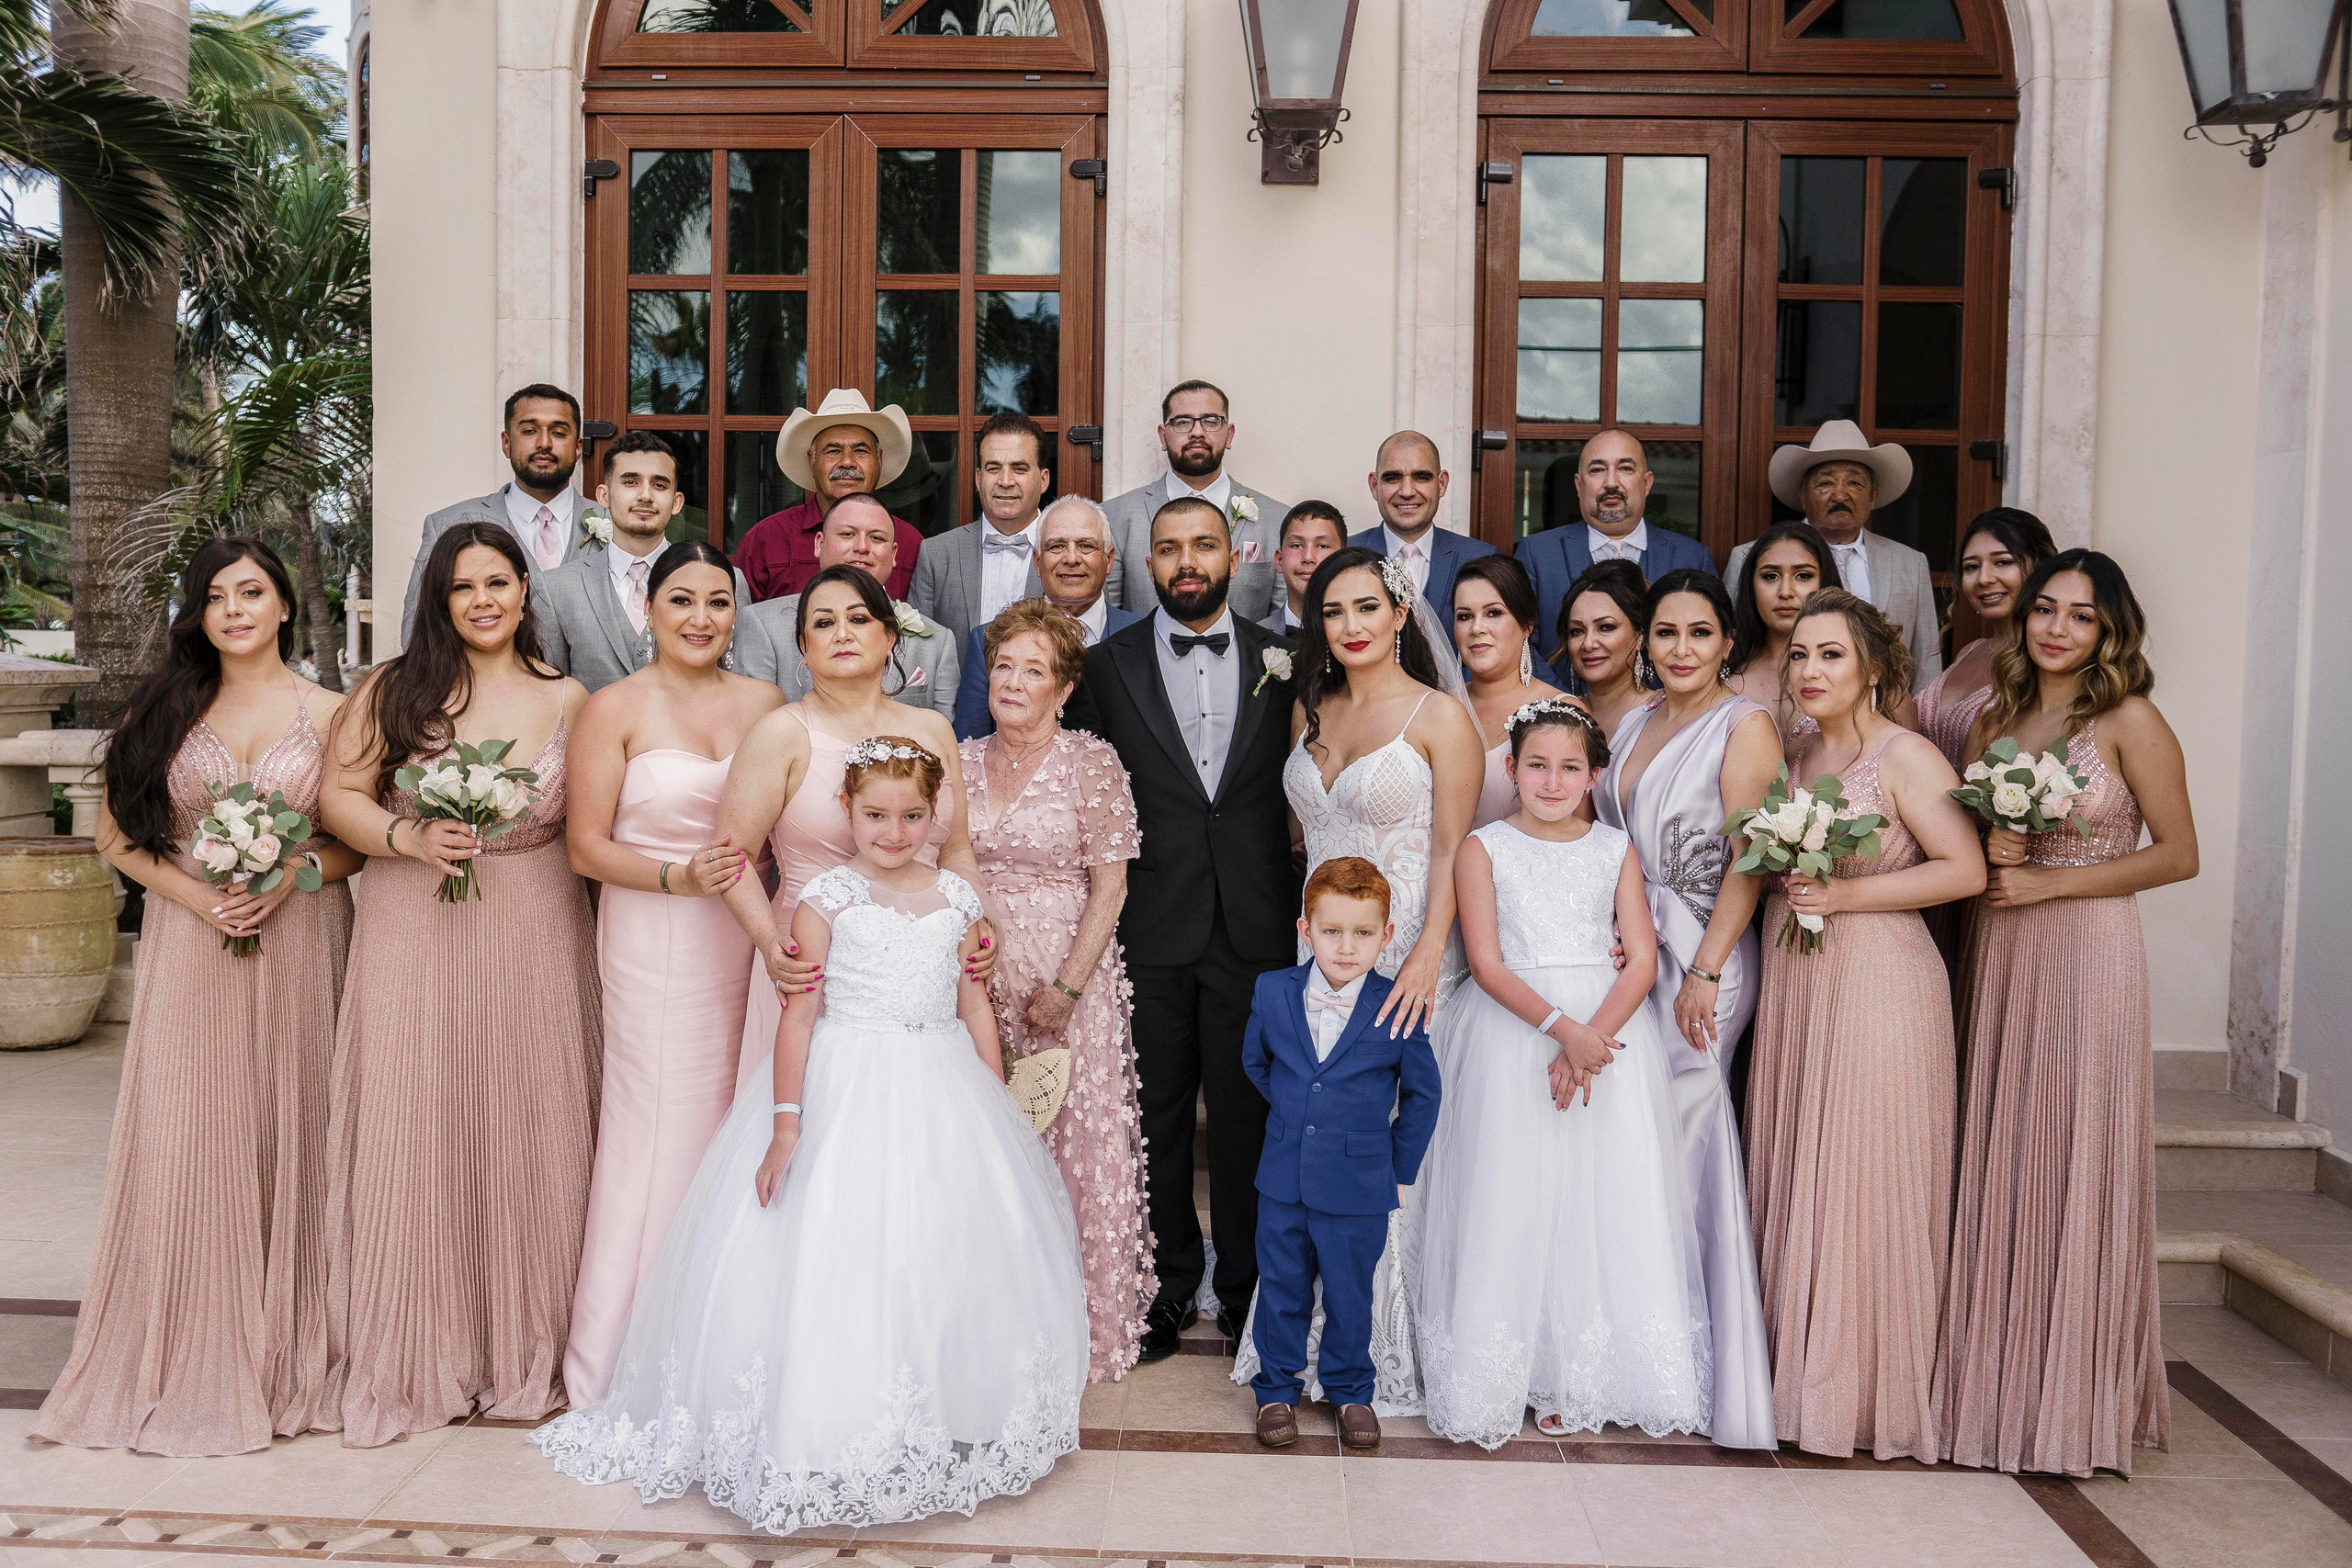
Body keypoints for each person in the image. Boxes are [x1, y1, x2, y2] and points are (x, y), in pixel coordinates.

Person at [533, 739, 1089, 1533]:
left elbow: (974, 1010)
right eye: (875, 816)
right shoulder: (826, 897)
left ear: (934, 817)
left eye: (910, 817)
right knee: (838, 1243)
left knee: (938, 1245)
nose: (893, 832)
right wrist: (786, 1126)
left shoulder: (961, 902)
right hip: (845, 1076)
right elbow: (798, 1018)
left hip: (942, 1083)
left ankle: (949, 1406)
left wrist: (995, 1106)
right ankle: (826, 1418)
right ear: (848, 815)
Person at [33, 540, 361, 1456]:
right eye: (216, 597)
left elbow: (355, 846)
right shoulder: (163, 707)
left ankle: (292, 1345)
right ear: (198, 615)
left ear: (286, 605)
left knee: (291, 1125)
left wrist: (292, 875)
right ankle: (183, 1336)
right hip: (191, 943)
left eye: (251, 592)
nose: (235, 610)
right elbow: (113, 837)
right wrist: (198, 897)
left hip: (299, 941)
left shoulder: (334, 715)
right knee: (191, 1134)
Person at [321, 522, 599, 1447]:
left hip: (533, 925)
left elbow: (594, 826)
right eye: (461, 586)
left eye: (498, 581)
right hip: (411, 924)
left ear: (526, 589)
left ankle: (528, 1339)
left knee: (528, 1116)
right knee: (417, 1113)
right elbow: (341, 799)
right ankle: (416, 1339)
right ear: (439, 598)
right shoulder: (395, 689)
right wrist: (406, 837)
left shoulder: (572, 700)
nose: (482, 600)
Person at [1939, 551, 2196, 1478]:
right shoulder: (1996, 717)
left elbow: (2177, 855)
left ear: (2108, 630)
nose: (2054, 628)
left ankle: (2071, 1396)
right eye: (2044, 609)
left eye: (2079, 616)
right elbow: (1970, 841)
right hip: (2003, 948)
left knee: (2071, 1145)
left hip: (2087, 951)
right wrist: (1998, 839)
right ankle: (1995, 1386)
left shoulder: (2129, 719)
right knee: (2007, 1143)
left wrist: (2053, 880)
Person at [1228, 544, 1483, 1413]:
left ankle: (1384, 1350)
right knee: (1313, 1124)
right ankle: (1291, 1349)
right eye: (1333, 611)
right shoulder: (1313, 707)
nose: (1350, 625)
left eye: (1367, 607)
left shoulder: (1439, 717)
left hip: (1408, 948)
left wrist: (1424, 950)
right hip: (1321, 949)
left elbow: (1455, 846)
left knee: (1388, 1130)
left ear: (1400, 611)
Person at [1414, 699, 1708, 1448]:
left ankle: (1585, 1372)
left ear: (1595, 774)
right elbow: (1483, 961)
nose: (1552, 780)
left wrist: (1593, 1039)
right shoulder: (1484, 847)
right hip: (1517, 1032)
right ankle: (1507, 1367)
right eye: (1536, 765)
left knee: (1599, 1196)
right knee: (1512, 1192)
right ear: (1510, 769)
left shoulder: (1614, 847)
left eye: (1570, 767)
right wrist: (1562, 1030)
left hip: (1608, 1040)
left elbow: (1641, 959)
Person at [1746, 590, 1984, 1462]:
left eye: (1831, 655)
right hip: (1800, 983)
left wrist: (1846, 894)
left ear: (1874, 668)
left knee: (1860, 1171)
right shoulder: (1797, 757)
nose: (1809, 670)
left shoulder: (1906, 755)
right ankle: (1794, 1380)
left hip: (1881, 978)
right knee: (1801, 1160)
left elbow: (1963, 869)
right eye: (1800, 654)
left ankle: (1864, 1395)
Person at [1062, 495, 1300, 1360]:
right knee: (1153, 1117)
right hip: (1147, 924)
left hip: (1256, 921)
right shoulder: (1105, 663)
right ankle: (1162, 1289)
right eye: (1169, 549)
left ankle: (1242, 1292)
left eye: (1203, 545)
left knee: (1246, 1117)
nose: (1186, 561)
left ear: (1236, 556)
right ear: (1147, 562)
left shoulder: (1289, 658)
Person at [558, 540, 785, 1404]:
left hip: (744, 930)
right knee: (654, 1127)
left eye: (718, 602)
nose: (701, 618)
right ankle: (622, 1355)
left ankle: (723, 1340)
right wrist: (676, 876)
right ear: (647, 611)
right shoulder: (614, 706)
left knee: (738, 1115)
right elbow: (584, 846)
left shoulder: (767, 700)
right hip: (653, 929)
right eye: (681, 600)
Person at [1592, 569, 1779, 1450]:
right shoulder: (1631, 723)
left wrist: (1706, 968)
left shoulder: (1744, 724)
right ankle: (1637, 1348)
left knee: (1693, 1147)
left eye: (1698, 633)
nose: (1678, 649)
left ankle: (1708, 1371)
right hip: (1633, 957)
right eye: (1664, 633)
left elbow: (1752, 855)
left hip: (1704, 957)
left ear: (1726, 643)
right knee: (1638, 1150)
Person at [961, 599, 1155, 1378]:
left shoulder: (1091, 763)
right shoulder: (962, 758)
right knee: (987, 1143)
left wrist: (1069, 988)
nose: (1013, 680)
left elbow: (1110, 887)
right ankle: (997, 1316)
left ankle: (1078, 1324)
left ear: (1064, 687)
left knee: (1072, 1144)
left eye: (1033, 669)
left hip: (1069, 983)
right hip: (975, 982)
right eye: (1003, 664)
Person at [713, 564, 991, 1092]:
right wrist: (771, 943)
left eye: (859, 618)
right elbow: (732, 860)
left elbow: (955, 851)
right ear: (803, 647)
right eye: (823, 623)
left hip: (925, 974)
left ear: (890, 636)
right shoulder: (780, 734)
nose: (842, 633)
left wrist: (980, 927)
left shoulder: (933, 730)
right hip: (813, 970)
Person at [1244, 857, 1441, 1454]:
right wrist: (1295, 1120)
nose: (1346, 947)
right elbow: (1257, 1063)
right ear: (1305, 929)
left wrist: (1398, 1168)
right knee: (1282, 1285)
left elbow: (1424, 1094)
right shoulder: (1273, 989)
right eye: (1332, 931)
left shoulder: (1397, 1001)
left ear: (1386, 935)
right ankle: (1276, 1388)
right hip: (1283, 1174)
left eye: (1362, 933)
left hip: (1359, 1180)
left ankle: (1351, 1389)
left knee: (1352, 1291)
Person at [1727, 421, 1941, 691]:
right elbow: (1731, 645)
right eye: (1825, 483)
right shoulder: (1746, 557)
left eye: (1854, 483)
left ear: (1873, 497)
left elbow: (1926, 661)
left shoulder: (1909, 563)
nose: (1840, 495)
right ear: (1803, 496)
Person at [535, 432, 752, 692]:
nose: (646, 496)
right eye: (630, 482)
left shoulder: (730, 580)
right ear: (603, 496)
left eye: (660, 485)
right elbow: (551, 695)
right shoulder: (555, 588)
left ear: (676, 502)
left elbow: (737, 681)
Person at [402, 384, 602, 640]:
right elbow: (417, 632)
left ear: (577, 447)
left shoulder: (616, 525)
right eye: (529, 431)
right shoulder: (445, 525)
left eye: (559, 433)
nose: (544, 443)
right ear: (506, 444)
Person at [735, 492, 959, 715]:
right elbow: (751, 727)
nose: (862, 547)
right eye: (847, 534)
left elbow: (944, 739)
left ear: (893, 554)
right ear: (819, 543)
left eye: (877, 538)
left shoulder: (938, 643)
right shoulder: (762, 623)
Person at [1517, 429, 1718, 665]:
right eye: (1597, 470)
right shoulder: (1536, 554)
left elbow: (1708, 644)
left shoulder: (1692, 557)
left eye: (1625, 468)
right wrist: (1566, 700)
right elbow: (1520, 647)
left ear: (1647, 483)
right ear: (1579, 485)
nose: (1611, 483)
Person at [953, 495, 1142, 740]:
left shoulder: (1142, 636)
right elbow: (970, 745)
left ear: (1109, 560)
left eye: (1086, 546)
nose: (1072, 559)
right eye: (1056, 546)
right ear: (1037, 562)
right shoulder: (987, 639)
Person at [1105, 379, 1290, 621]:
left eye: (1210, 421)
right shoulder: (1115, 517)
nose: (1197, 432)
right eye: (1182, 422)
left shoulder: (1277, 520)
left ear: (1229, 434)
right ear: (1163, 437)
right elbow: (1112, 620)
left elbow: (1280, 625)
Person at [732, 388, 924, 604]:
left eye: (861, 451)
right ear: (812, 461)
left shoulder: (910, 543)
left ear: (879, 460)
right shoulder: (766, 539)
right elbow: (740, 628)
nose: (847, 462)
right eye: (833, 451)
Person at [1916, 508, 2058, 769]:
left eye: (2002, 562)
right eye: (1972, 567)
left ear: (2040, 566)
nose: (1984, 579)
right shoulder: (1971, 650)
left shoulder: (2047, 662)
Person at [1452, 553, 1575, 828]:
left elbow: (1577, 831)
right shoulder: (1438, 705)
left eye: (1493, 613)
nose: (1477, 628)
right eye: (1464, 616)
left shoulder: (1561, 711)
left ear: (1527, 624)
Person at [909, 411, 1051, 643]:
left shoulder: (1069, 555)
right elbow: (918, 651)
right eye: (994, 468)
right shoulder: (935, 555)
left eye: (1019, 468)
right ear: (978, 479)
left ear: (1043, 480)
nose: (1005, 481)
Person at [1349, 431, 1497, 618]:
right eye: (1393, 478)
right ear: (1374, 486)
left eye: (1421, 477)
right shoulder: (1343, 554)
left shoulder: (1480, 557)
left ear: (1441, 484)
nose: (1407, 491)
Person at [1725, 522, 1842, 739]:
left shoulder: (1861, 669)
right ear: (1751, 587)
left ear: (1824, 583)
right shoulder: (1720, 669)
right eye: (1770, 576)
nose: (1786, 592)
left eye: (1803, 576)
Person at [1555, 558, 1651, 739]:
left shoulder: (1663, 715)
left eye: (1606, 627)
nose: (1588, 644)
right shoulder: (1554, 715)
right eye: (1577, 631)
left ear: (1640, 636)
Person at [1262, 500, 1348, 639]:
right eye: (1296, 545)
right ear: (1279, 560)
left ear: (1344, 560)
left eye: (1322, 546)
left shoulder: (1359, 633)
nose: (1308, 557)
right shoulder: (1250, 639)